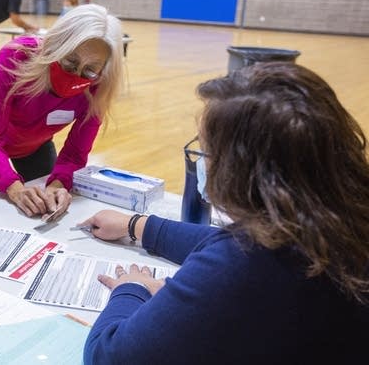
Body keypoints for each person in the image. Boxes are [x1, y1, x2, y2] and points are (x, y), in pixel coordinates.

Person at [81, 62, 369, 364]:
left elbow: (108, 357)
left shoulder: (242, 267)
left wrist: (132, 288)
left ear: (239, 171)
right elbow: (224, 241)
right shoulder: (333, 221)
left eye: (205, 150)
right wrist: (139, 225)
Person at [0, 3, 123, 220]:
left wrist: (59, 183)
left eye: (90, 70)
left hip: (35, 138)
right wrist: (15, 189)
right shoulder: (18, 55)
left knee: (47, 205)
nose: (77, 75)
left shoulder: (99, 85)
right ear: (56, 47)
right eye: (70, 62)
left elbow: (75, 153)